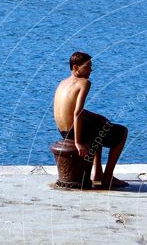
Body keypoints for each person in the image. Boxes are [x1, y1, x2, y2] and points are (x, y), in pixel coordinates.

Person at [53, 51, 129, 189]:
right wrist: (78, 142)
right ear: (76, 68)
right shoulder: (84, 83)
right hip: (74, 133)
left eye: (91, 66)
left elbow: (70, 110)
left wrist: (98, 117)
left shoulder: (63, 82)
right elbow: (77, 113)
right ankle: (108, 177)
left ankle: (97, 173)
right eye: (87, 67)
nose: (91, 70)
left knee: (98, 125)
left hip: (63, 130)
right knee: (122, 132)